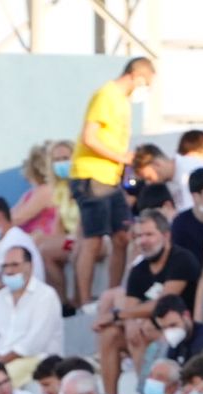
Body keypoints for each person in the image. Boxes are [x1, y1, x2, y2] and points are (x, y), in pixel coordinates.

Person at [69, 59, 155, 308]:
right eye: (146, 83)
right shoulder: (107, 95)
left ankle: (113, 295)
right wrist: (121, 157)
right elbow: (89, 137)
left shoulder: (122, 101)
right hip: (92, 175)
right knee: (93, 239)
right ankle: (85, 301)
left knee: (122, 237)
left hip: (110, 179)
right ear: (136, 75)